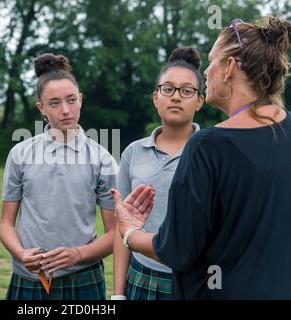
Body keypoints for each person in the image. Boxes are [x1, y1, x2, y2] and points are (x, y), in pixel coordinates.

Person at [112, 15, 291, 299]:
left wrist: (130, 232)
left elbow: (178, 251)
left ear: (230, 67)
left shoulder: (207, 146)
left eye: (211, 62)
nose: (206, 72)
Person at [0, 53, 118, 300]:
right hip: (30, 277)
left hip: (83, 277)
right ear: (41, 108)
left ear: (81, 100)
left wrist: (78, 254)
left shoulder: (102, 159)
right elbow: (5, 225)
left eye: (71, 100)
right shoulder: (20, 153)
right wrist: (20, 253)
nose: (65, 110)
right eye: (54, 103)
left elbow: (115, 233)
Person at [112, 47, 203, 300]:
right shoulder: (133, 152)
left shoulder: (211, 153)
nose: (176, 97)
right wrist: (118, 294)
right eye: (168, 89)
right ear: (155, 97)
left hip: (193, 279)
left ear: (199, 100)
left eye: (186, 91)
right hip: (141, 278)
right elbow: (123, 229)